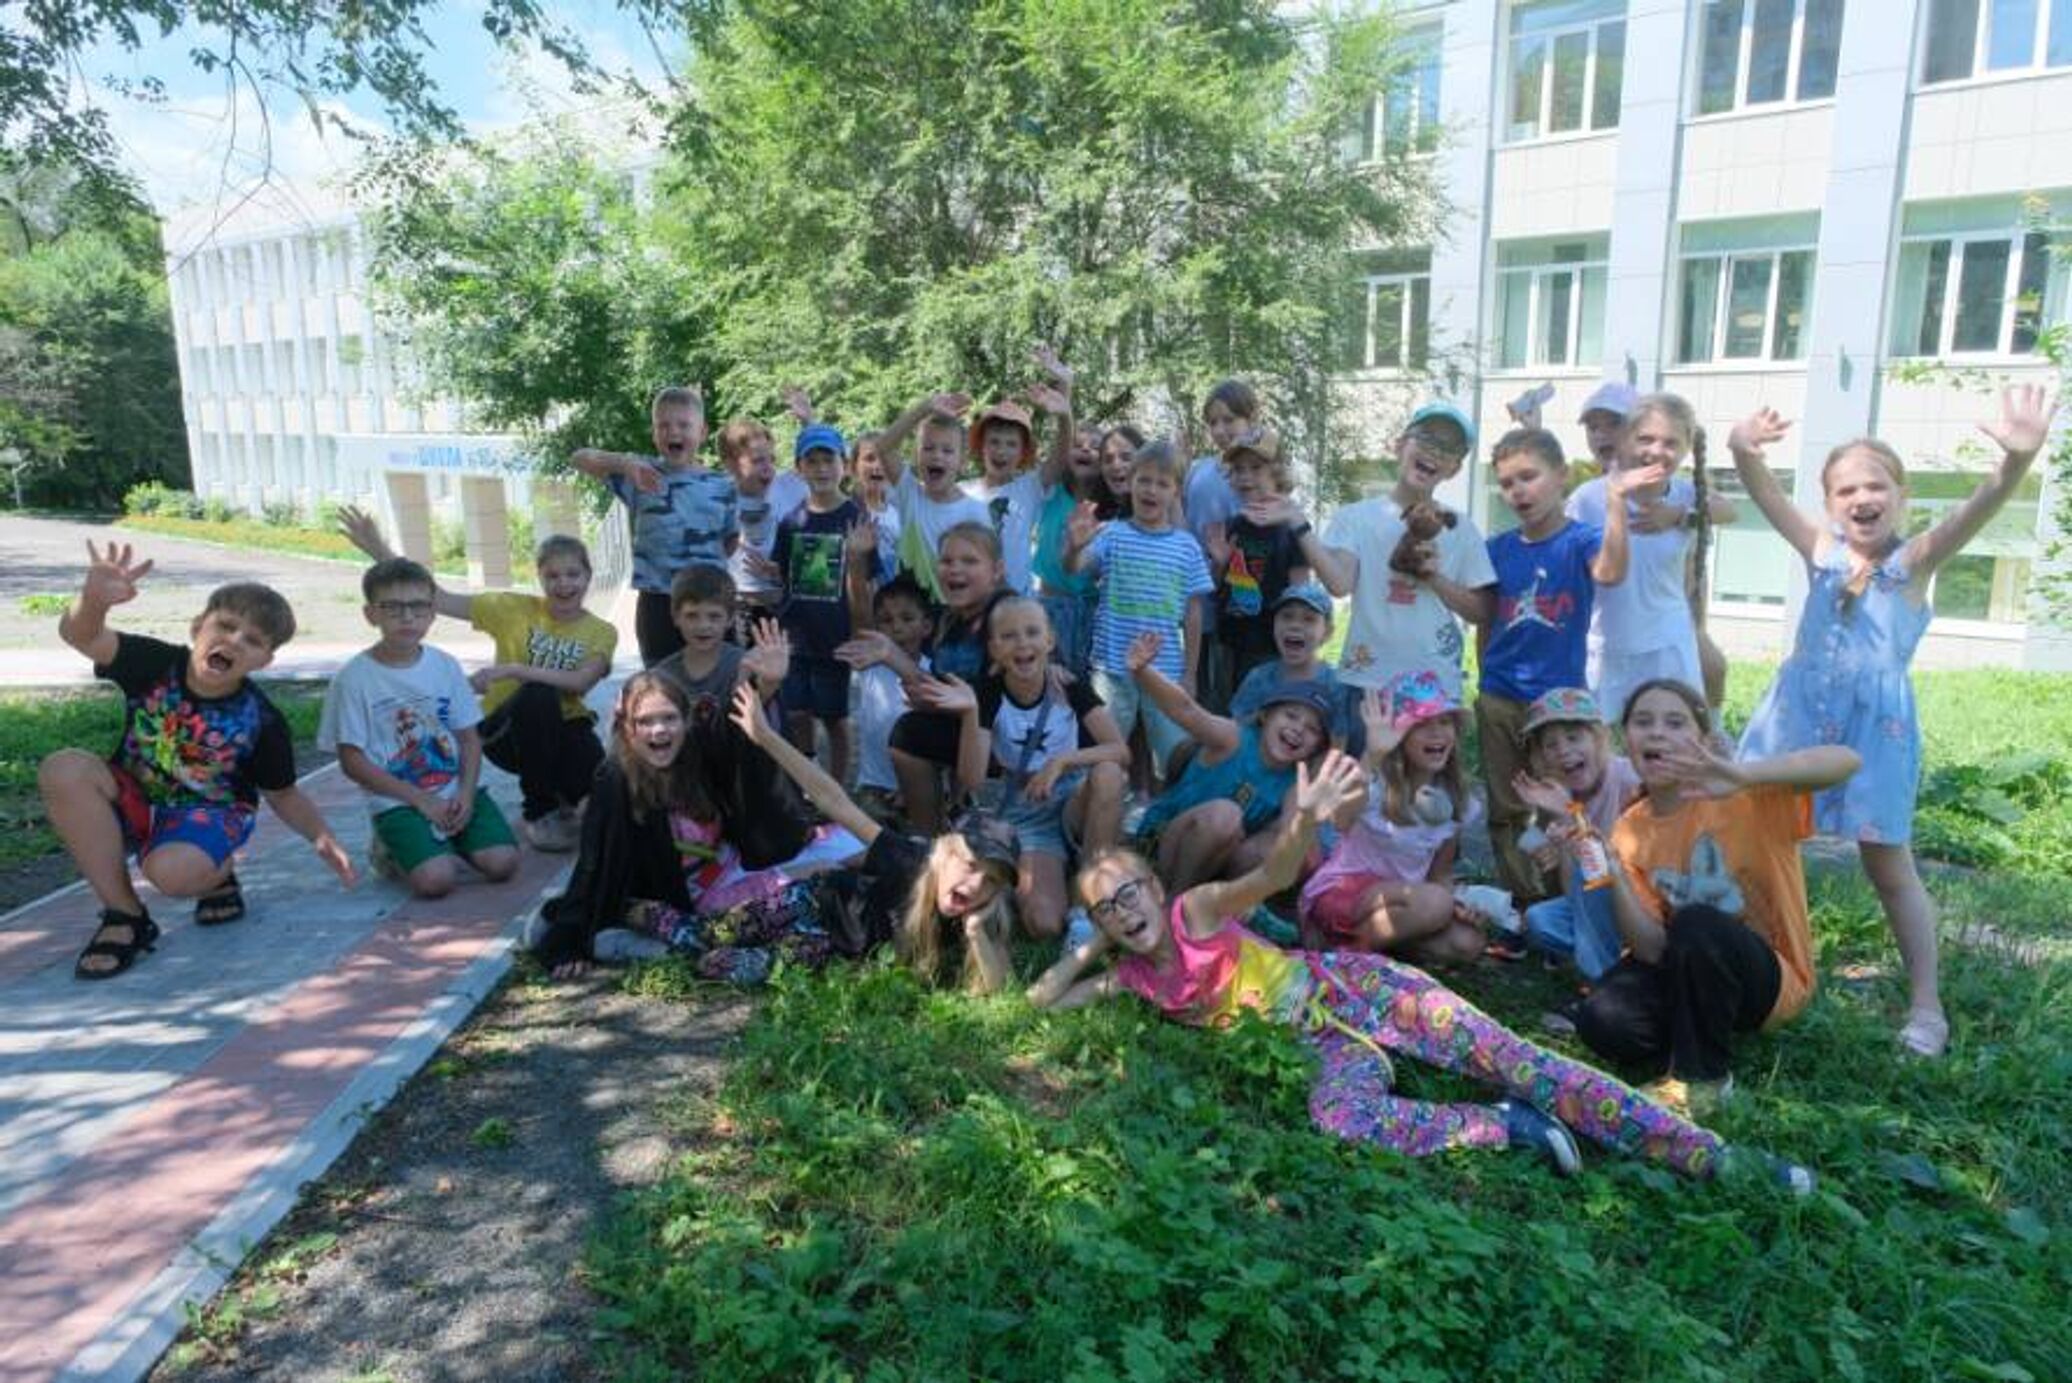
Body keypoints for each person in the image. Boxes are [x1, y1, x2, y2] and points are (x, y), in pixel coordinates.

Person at [1029, 751, 1775, 1186]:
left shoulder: (1194, 911)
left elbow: (1271, 875)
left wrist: (1303, 820)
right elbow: (1042, 1002)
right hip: (1323, 1043)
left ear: (1156, 889)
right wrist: (1091, 946)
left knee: (1518, 1060)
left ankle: (1713, 1157)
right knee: (1338, 1116)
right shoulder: (1138, 978)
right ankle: (1502, 1127)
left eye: (1130, 892)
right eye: (1107, 907)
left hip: (1358, 988)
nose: (1124, 909)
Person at [1728, 387, 2057, 1059]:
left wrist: (2016, 462)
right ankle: (1752, 964)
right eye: (1845, 489)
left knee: (1889, 866)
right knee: (1747, 841)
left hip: (1876, 733)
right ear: (1830, 503)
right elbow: (1765, 494)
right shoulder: (1821, 552)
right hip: (1793, 719)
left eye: (1875, 485)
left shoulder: (1913, 562)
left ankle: (1927, 1005)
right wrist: (1742, 448)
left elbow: (1978, 509)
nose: (1861, 498)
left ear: (1901, 496)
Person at [38, 544, 355, 979]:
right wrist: (93, 601)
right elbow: (83, 636)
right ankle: (125, 915)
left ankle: (216, 873)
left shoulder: (262, 720)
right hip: (134, 797)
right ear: (197, 627)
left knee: (171, 876)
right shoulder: (154, 662)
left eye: (253, 640)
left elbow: (282, 794)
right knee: (64, 768)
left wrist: (321, 837)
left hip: (208, 814)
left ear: (265, 660)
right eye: (226, 625)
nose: (234, 640)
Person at [1577, 680, 1859, 1117]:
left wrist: (1745, 774)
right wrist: (1615, 872)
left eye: (1675, 723)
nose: (1657, 732)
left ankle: (1703, 1077)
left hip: (1768, 980)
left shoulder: (1745, 796)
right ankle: (1698, 1029)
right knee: (1603, 1019)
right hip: (1687, 965)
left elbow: (1846, 760)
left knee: (1696, 921)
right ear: (1625, 740)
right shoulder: (1629, 828)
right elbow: (1651, 949)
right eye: (1643, 722)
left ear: (1704, 741)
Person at [525, 673, 838, 983]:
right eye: (645, 721)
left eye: (669, 718)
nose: (659, 729)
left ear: (686, 721)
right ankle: (653, 946)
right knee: (811, 894)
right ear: (627, 727)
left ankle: (673, 947)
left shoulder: (696, 755)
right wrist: (566, 941)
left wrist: (765, 681)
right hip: (681, 902)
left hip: (727, 873)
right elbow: (594, 863)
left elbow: (734, 735)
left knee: (834, 871)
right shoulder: (616, 780)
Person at [337, 508, 613, 853]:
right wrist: (379, 548)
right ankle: (539, 812)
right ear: (540, 578)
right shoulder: (512, 608)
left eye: (573, 574)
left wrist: (514, 669)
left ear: (588, 576)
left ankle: (566, 796)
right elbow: (439, 599)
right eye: (552, 575)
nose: (564, 584)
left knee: (604, 797)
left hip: (567, 731)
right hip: (504, 733)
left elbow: (581, 682)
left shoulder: (601, 631)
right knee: (538, 695)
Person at [731, 683, 1024, 994]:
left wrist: (976, 932)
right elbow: (834, 802)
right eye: (971, 865)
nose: (976, 884)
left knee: (730, 965)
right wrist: (765, 736)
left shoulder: (984, 913)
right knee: (713, 934)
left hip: (826, 948)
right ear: (945, 855)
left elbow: (994, 990)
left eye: (991, 880)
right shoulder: (910, 862)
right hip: (816, 906)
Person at [1474, 427, 1654, 904]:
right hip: (1499, 695)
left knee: (1567, 804)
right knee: (1507, 807)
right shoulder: (1498, 548)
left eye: (1529, 476)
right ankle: (1524, 903)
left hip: (1559, 704)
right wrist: (1432, 576)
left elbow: (1611, 572)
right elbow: (1484, 616)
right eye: (1507, 483)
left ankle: (1578, 898)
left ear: (1561, 476)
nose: (1518, 491)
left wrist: (1616, 501)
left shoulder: (1581, 541)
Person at [319, 557, 521, 898]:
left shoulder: (445, 666)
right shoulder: (353, 679)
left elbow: (469, 739)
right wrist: (421, 801)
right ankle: (390, 848)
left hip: (452, 790)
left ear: (432, 612)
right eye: (393, 607)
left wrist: (465, 795)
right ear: (371, 614)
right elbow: (351, 761)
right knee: (436, 881)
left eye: (418, 606)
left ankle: (449, 841)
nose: (408, 617)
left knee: (504, 863)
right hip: (397, 800)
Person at [949, 597, 1129, 938]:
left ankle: (1085, 901)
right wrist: (971, 713)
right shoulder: (986, 694)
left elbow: (1120, 750)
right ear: (994, 649)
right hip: (1027, 812)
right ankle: (1045, 875)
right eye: (1008, 636)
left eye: (1032, 632)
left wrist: (1061, 761)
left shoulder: (1068, 685)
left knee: (1108, 773)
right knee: (1044, 923)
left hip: (1074, 798)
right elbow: (971, 779)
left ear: (1050, 640)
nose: (1022, 643)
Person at [1299, 671, 1494, 964]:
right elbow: (1341, 820)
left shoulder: (1456, 801)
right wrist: (1373, 755)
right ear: (1399, 736)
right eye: (1422, 725)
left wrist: (1458, 906)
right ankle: (1346, 959)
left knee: (1467, 942)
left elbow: (1439, 874)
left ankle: (1349, 946)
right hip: (1344, 893)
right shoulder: (1377, 784)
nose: (1437, 733)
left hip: (1402, 906)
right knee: (1435, 904)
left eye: (1445, 722)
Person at [1307, 401, 1496, 702]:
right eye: (1426, 438)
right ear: (1399, 445)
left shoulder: (1461, 528)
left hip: (1434, 687)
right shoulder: (1354, 517)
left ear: (1455, 468)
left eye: (1448, 448)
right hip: (1366, 679)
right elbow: (1339, 585)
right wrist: (1299, 528)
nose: (1434, 452)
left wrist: (1435, 578)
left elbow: (1481, 611)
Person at [1564, 393, 1733, 720]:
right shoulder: (1588, 499)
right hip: (1606, 645)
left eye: (1671, 443)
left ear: (1686, 448)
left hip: (1667, 646)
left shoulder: (1686, 494)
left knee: (1672, 739)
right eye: (1646, 439)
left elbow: (1729, 510)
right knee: (1599, 742)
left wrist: (1678, 515)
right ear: (1626, 439)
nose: (1656, 451)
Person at [1126, 631, 1332, 890]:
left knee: (1289, 847)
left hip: (1214, 861)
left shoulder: (1294, 781)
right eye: (1291, 715)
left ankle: (1225, 901)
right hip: (1160, 842)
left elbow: (1292, 836)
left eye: (1313, 729)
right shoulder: (1234, 738)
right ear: (1265, 715)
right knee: (1226, 815)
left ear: (1316, 747)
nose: (1299, 729)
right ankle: (1176, 903)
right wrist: (1143, 672)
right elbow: (1187, 710)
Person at [1064, 438, 1215, 785]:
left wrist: (1190, 674)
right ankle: (1100, 810)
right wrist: (1073, 548)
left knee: (1175, 761)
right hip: (1112, 670)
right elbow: (1075, 568)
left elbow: (1194, 614)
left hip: (1166, 673)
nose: (1151, 490)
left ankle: (1166, 815)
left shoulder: (1186, 547)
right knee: (1105, 757)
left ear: (1176, 492)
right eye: (1144, 480)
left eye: (1162, 483)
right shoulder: (1111, 534)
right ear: (1130, 483)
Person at [572, 385, 735, 666]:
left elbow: (731, 541)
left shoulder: (723, 485)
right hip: (658, 603)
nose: (673, 432)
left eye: (684, 425)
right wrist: (624, 463)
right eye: (663, 425)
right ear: (654, 433)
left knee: (718, 682)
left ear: (702, 432)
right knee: (661, 682)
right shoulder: (640, 473)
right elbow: (579, 458)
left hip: (711, 604)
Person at [1508, 687, 1641, 984]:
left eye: (1573, 737)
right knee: (1539, 920)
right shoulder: (1559, 796)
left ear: (1599, 739)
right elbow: (1574, 890)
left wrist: (1571, 818)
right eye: (1550, 745)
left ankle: (1607, 978)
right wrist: (1560, 840)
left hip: (1639, 897)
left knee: (1591, 866)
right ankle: (1613, 954)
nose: (1563, 751)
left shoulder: (1629, 779)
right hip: (1598, 902)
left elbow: (1606, 869)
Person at [889, 523, 1011, 831]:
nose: (955, 569)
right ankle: (935, 829)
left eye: (969, 561)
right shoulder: (949, 618)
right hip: (969, 722)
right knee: (909, 727)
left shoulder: (1008, 616)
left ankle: (934, 828)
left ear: (997, 571)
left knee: (909, 732)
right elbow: (942, 685)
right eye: (946, 560)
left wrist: (934, 701)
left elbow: (996, 697)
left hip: (1008, 735)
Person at [770, 421, 875, 778]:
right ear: (799, 468)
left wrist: (862, 633)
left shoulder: (856, 518)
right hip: (795, 638)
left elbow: (867, 582)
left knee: (833, 717)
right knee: (797, 712)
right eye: (811, 461)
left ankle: (837, 785)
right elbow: (784, 577)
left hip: (835, 639)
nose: (821, 469)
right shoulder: (791, 521)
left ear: (844, 464)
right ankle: (808, 775)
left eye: (828, 460)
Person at [1213, 426, 1312, 701]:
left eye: (1256, 468)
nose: (1245, 476)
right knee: (1231, 711)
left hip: (1270, 647)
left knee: (1262, 713)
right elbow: (1216, 584)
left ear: (1277, 473)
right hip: (1229, 640)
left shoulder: (1291, 527)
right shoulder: (1235, 523)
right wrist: (1219, 563)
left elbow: (1301, 593)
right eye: (1238, 469)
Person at [1183, 379, 1261, 709]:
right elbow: (1181, 526)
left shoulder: (1260, 474)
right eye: (1213, 422)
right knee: (1196, 694)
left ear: (1252, 418)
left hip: (1239, 605)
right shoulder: (1197, 470)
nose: (1219, 430)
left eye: (1229, 420)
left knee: (1231, 695)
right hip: (1196, 604)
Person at [836, 574, 935, 822]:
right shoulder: (871, 664)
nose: (897, 627)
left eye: (907, 618)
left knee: (924, 840)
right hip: (874, 786)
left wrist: (912, 789)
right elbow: (859, 611)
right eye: (886, 620)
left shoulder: (933, 670)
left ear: (926, 626)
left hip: (922, 785)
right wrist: (857, 563)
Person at [875, 390, 990, 602]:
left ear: (962, 462)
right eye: (928, 448)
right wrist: (924, 408)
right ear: (916, 456)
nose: (937, 455)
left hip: (955, 613)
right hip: (911, 615)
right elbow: (883, 447)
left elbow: (986, 574)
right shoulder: (910, 494)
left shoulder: (976, 511)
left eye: (947, 451)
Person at [1228, 583, 1362, 755]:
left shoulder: (1336, 685)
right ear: (1274, 624)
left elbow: (1338, 744)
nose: (1295, 625)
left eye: (1309, 619)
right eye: (1287, 616)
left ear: (1327, 632)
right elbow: (1236, 728)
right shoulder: (1259, 677)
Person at [650, 566, 791, 724]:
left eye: (714, 616)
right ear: (676, 617)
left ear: (730, 619)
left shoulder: (746, 664)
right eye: (692, 615)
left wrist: (769, 682)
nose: (703, 625)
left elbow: (755, 719)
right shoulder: (662, 675)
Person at [719, 416, 807, 641]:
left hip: (786, 604)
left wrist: (808, 421)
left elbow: (828, 464)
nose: (768, 468)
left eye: (771, 459)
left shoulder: (790, 486)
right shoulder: (719, 495)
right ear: (730, 464)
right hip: (738, 607)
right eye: (757, 461)